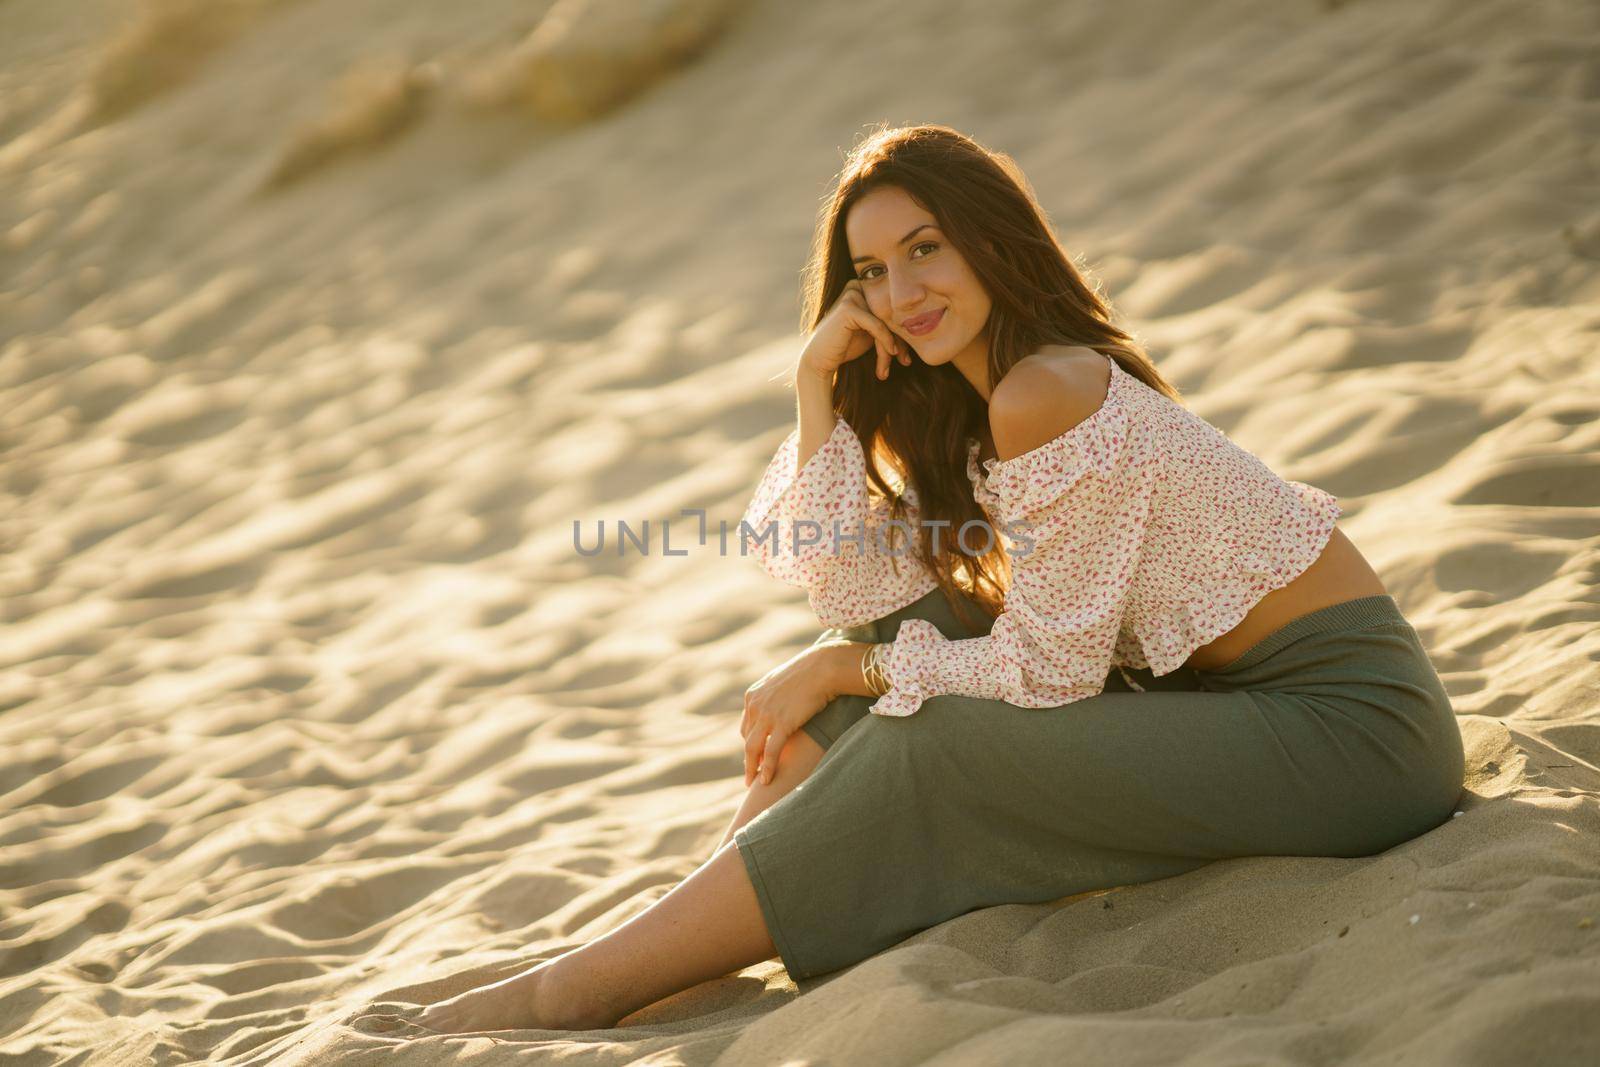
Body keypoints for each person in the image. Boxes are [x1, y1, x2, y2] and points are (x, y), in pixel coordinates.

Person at [412, 123, 1466, 1034]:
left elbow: (1046, 673)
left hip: (1357, 738)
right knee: (913, 636)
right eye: (870, 270)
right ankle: (682, 933)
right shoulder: (977, 416)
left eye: (924, 249)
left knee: (931, 731)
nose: (900, 291)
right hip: (1234, 708)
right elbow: (858, 594)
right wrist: (814, 384)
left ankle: (581, 989)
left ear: (989, 240)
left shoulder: (1044, 391)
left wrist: (843, 667)